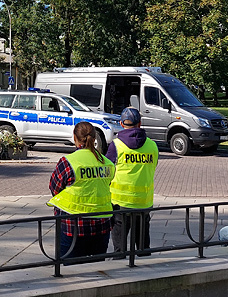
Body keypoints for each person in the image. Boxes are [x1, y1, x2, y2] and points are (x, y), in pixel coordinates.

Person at [48, 121, 115, 261]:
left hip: (73, 225)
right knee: (96, 269)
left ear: (74, 137)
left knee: (70, 271)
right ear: (95, 138)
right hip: (101, 224)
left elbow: (54, 187)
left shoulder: (68, 161)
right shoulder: (107, 163)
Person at [106, 107, 158, 255]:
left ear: (122, 124)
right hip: (144, 203)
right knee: (142, 248)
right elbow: (153, 166)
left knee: (120, 250)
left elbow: (108, 172)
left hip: (120, 204)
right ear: (140, 123)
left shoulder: (116, 146)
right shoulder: (152, 145)